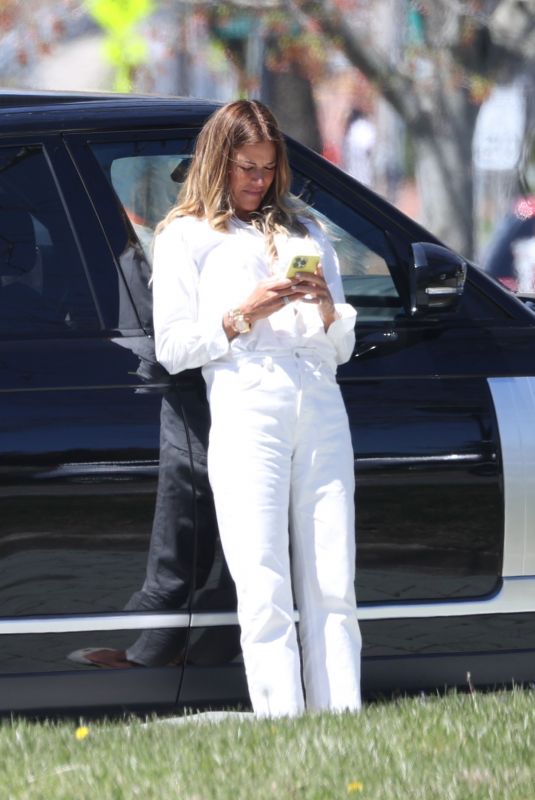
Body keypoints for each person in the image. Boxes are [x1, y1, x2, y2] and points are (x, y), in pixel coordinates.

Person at [152, 99, 362, 717]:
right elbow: (173, 348)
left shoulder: (305, 229)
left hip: (319, 396)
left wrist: (324, 303)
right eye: (245, 166)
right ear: (219, 161)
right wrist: (245, 313)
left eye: (267, 169)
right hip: (247, 398)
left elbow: (343, 345)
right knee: (263, 577)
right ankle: (282, 718)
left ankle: (341, 716)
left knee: (333, 575)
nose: (257, 180)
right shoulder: (186, 236)